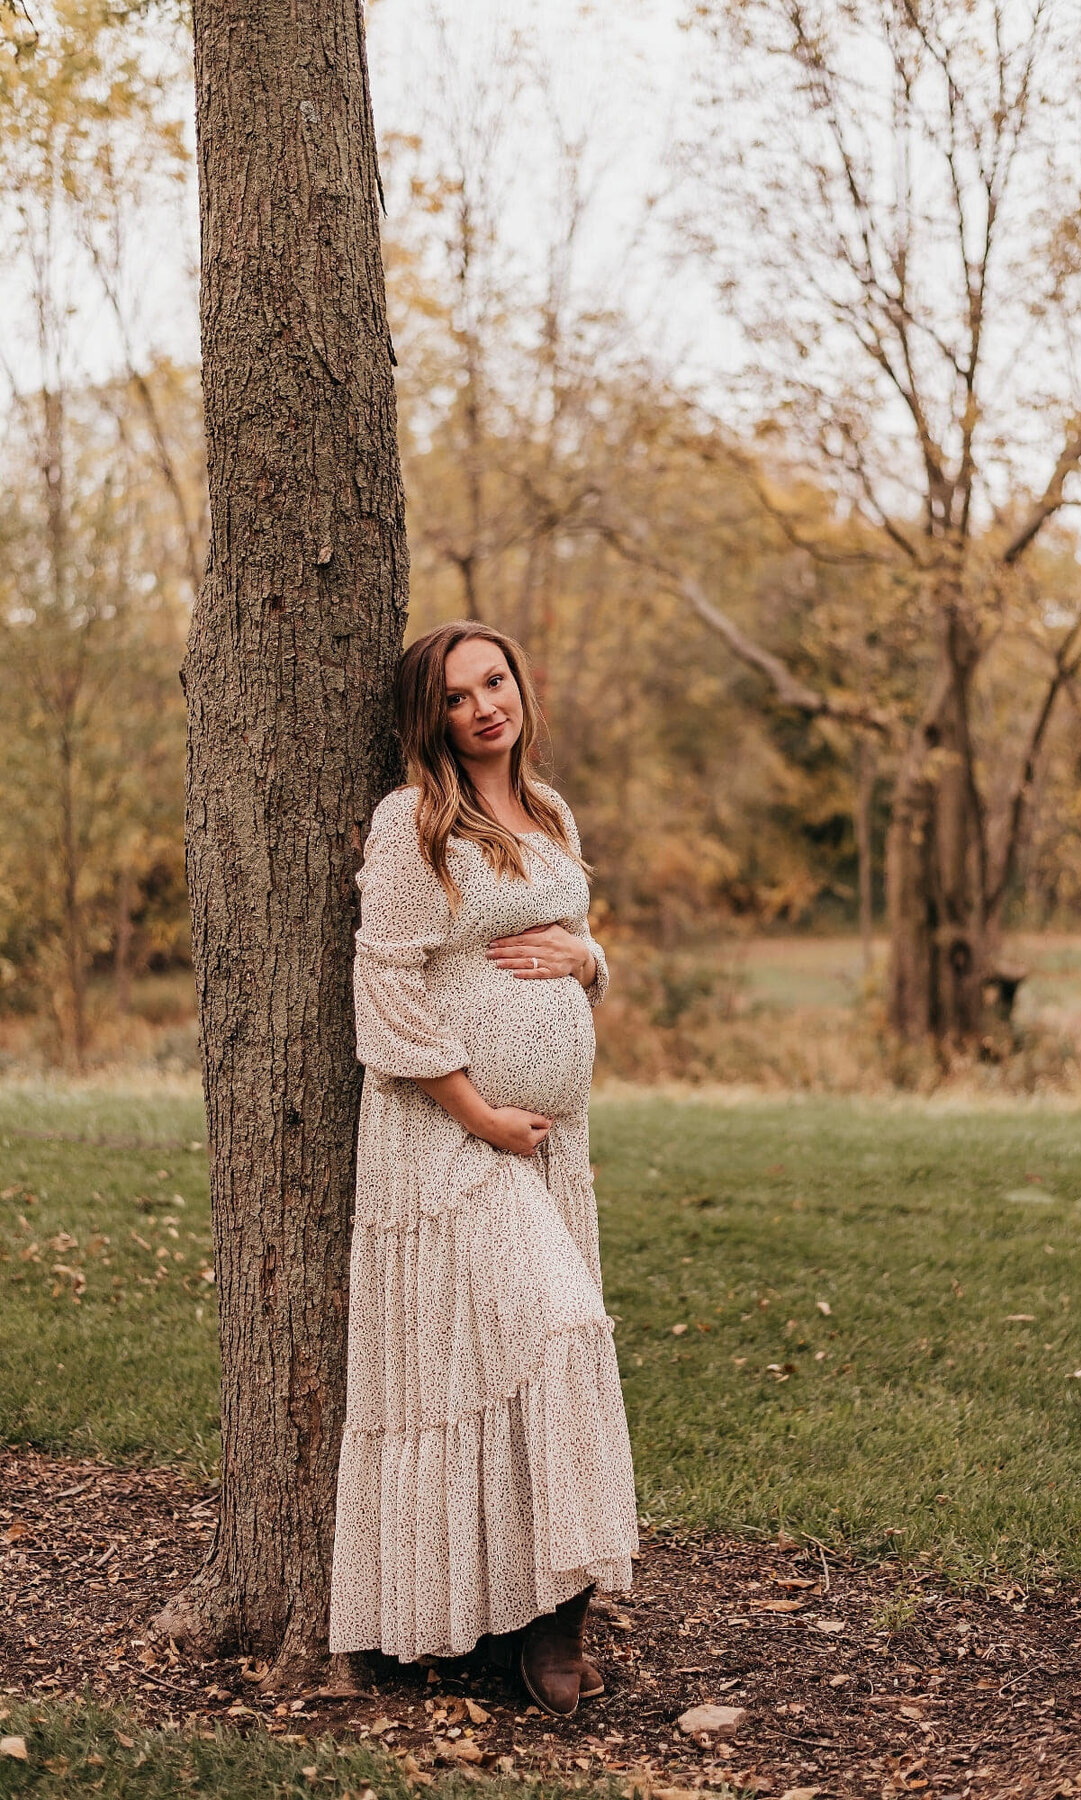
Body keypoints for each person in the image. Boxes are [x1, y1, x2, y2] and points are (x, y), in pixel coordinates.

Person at [328, 620, 638, 1717]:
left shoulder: (548, 812)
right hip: (448, 1138)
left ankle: (550, 1621)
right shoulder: (412, 823)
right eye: (456, 697)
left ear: (518, 686)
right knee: (552, 1336)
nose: (483, 707)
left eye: (493, 682)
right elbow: (388, 985)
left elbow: (575, 949)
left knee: (518, 1366)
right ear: (433, 720)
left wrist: (591, 959)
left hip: (550, 1146)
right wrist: (476, 1110)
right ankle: (485, 1615)